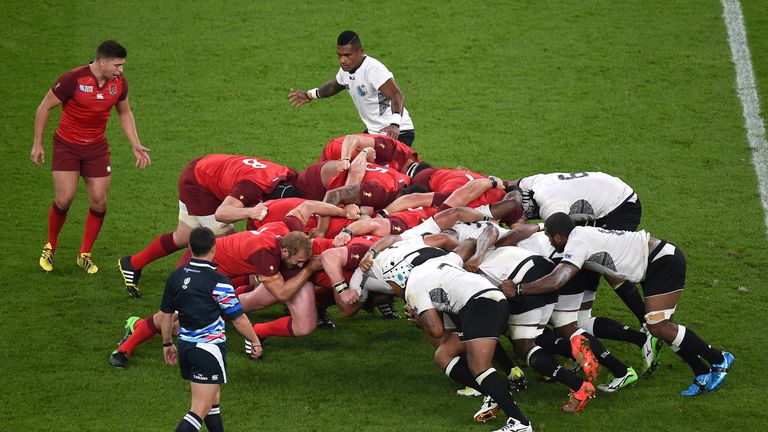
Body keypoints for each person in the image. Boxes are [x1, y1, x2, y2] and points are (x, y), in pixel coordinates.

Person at [503, 212, 734, 397]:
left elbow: (556, 281)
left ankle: (718, 358)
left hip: (661, 262)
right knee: (662, 327)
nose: (551, 243)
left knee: (658, 326)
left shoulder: (577, 244)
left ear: (559, 237)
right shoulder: (580, 232)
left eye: (551, 238)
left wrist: (519, 289)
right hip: (654, 263)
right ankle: (701, 372)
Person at [359, 235, 533, 432]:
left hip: (480, 306)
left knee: (479, 366)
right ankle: (493, 395)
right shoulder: (441, 260)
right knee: (444, 354)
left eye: (391, 284)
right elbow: (467, 245)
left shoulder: (413, 287)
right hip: (493, 299)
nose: (393, 289)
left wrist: (419, 320)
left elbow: (436, 330)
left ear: (397, 277)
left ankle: (520, 423)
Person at [31, 40, 150, 275]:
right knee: (65, 198)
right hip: (67, 146)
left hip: (96, 148)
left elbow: (125, 112)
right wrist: (37, 144)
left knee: (99, 201)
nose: (121, 70)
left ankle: (84, 254)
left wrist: (135, 144)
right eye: (117, 65)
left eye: (122, 65)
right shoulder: (73, 79)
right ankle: (50, 246)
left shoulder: (118, 84)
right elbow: (44, 107)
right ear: (102, 61)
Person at [118, 154, 297, 297]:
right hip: (199, 184)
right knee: (232, 249)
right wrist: (250, 212)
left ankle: (132, 263)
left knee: (183, 236)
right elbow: (222, 213)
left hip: (204, 172)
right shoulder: (251, 187)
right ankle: (192, 291)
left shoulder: (287, 175)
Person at [158, 227, 261, 432]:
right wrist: (255, 340)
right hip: (208, 351)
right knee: (199, 409)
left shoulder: (176, 277)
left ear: (189, 247)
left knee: (213, 401)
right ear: (214, 249)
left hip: (187, 347)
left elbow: (166, 315)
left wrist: (167, 343)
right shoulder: (219, 281)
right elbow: (238, 318)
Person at [288, 30, 416, 146]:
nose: (342, 60)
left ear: (360, 51)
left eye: (347, 55)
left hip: (397, 132)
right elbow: (334, 86)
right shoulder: (346, 70)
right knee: (353, 163)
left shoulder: (373, 70)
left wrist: (394, 124)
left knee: (375, 169)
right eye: (339, 55)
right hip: (375, 133)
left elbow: (397, 95)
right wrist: (310, 95)